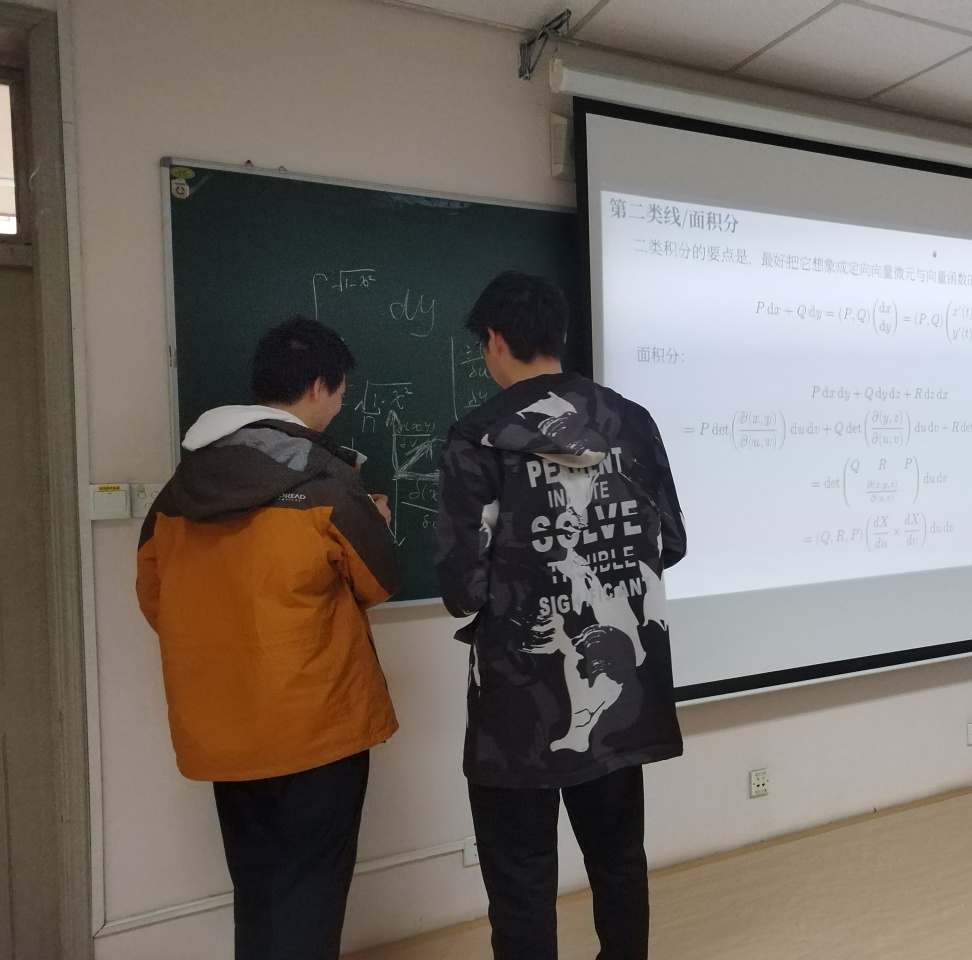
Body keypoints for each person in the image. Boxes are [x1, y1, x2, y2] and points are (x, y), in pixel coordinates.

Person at [435, 272, 687, 960]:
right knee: (618, 858)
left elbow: (462, 586)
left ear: (493, 340)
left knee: (520, 879)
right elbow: (669, 542)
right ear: (560, 335)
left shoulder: (479, 438)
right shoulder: (632, 424)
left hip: (516, 702)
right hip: (621, 689)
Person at [136, 316, 400, 960]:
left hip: (223, 728)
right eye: (340, 391)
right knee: (312, 896)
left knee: (256, 889)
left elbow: (154, 597)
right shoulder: (327, 481)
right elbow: (379, 581)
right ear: (318, 387)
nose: (340, 405)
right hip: (316, 726)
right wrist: (377, 521)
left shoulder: (178, 491)